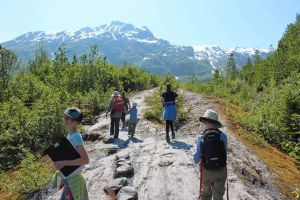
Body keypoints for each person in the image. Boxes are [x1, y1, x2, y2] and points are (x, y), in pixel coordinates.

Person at [52, 108, 90, 200]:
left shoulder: (76, 136)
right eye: (64, 117)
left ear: (75, 122)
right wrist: (62, 180)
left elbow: (85, 160)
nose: (64, 120)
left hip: (74, 181)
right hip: (69, 180)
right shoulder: (70, 135)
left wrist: (63, 163)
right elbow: (70, 157)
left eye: (67, 118)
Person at [193, 110, 228, 200]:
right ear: (216, 123)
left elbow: (196, 158)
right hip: (221, 170)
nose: (204, 124)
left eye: (205, 122)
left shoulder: (201, 137)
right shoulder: (223, 136)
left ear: (207, 122)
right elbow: (224, 152)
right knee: (218, 195)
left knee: (206, 194)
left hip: (206, 171)